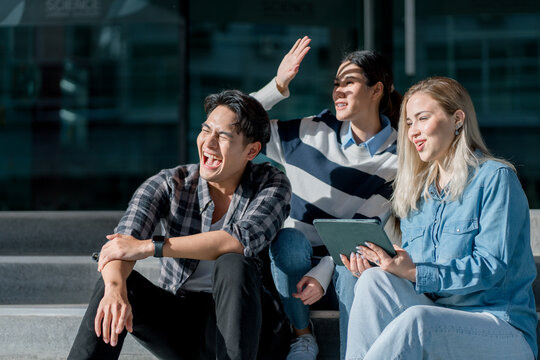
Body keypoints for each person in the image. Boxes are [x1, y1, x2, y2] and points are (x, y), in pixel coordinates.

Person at [67, 90, 292, 360]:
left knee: (233, 263)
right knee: (112, 286)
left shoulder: (271, 184)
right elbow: (121, 245)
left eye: (222, 136)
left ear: (252, 150)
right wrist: (116, 290)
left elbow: (238, 241)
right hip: (182, 321)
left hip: (247, 326)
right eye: (206, 130)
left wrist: (152, 247)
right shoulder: (171, 183)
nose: (208, 143)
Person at [343, 76, 537, 359]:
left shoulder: (495, 178)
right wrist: (388, 267)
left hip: (499, 326)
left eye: (422, 119)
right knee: (373, 281)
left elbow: (490, 267)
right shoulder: (417, 192)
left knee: (419, 322)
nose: (413, 132)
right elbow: (416, 278)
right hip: (438, 318)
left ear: (457, 119)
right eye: (409, 123)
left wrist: (415, 272)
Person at [250, 36, 402, 360]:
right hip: (290, 275)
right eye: (336, 83)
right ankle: (302, 337)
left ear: (377, 90)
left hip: (344, 275)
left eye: (349, 82)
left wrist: (322, 275)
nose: (338, 91)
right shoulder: (310, 132)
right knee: (288, 241)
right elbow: (238, 123)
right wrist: (277, 85)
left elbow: (361, 234)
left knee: (352, 266)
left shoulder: (399, 158)